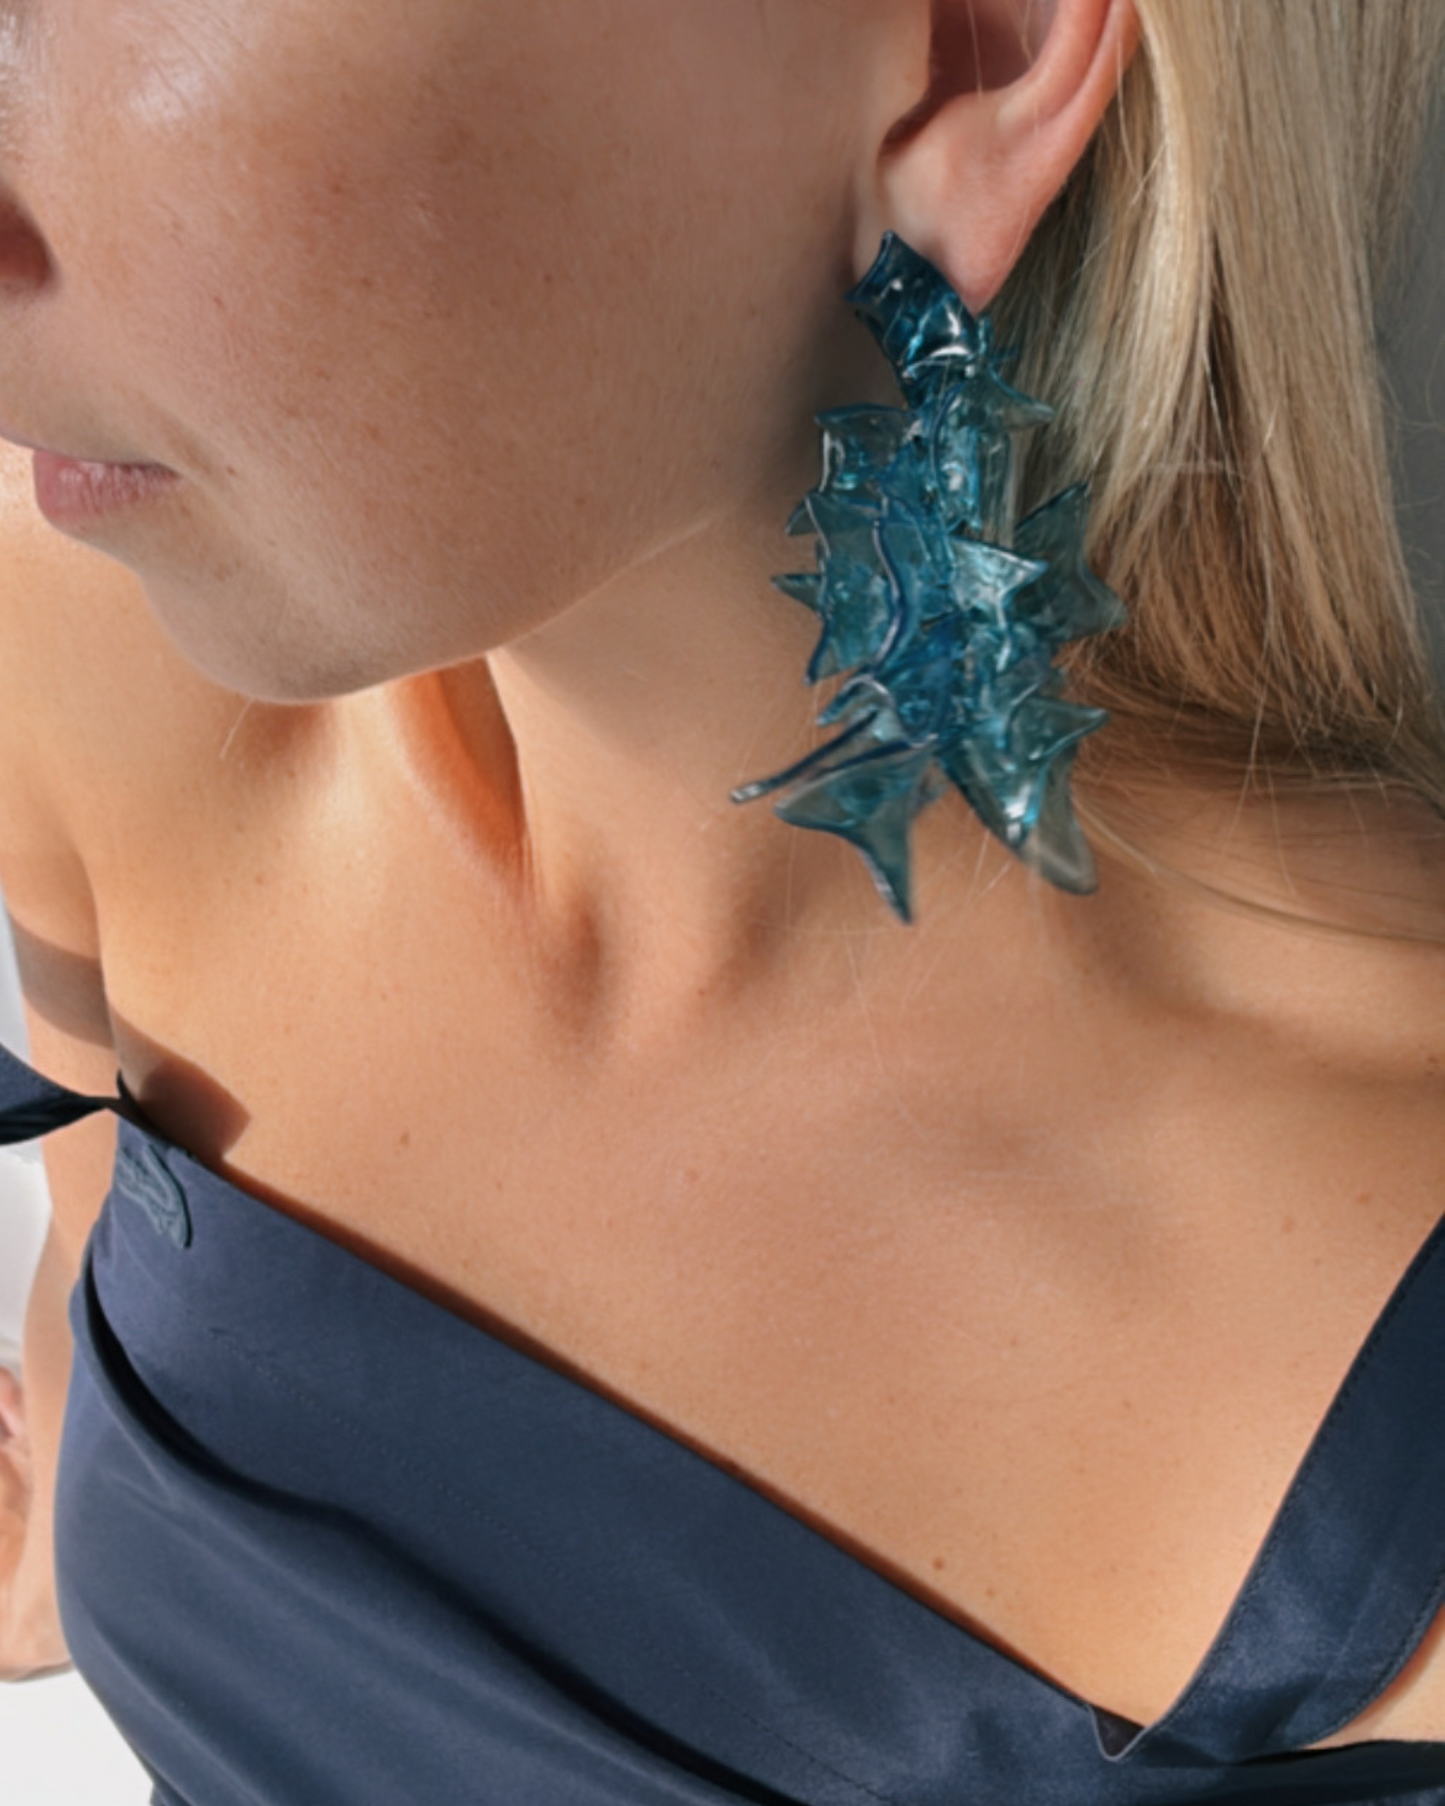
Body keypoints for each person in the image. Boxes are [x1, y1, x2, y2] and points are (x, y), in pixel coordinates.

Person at [0, 0, 1441, 1798]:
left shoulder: (1365, 1409)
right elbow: (96, 1296)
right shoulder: (79, 625)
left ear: (981, 52)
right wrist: (77, 1528)